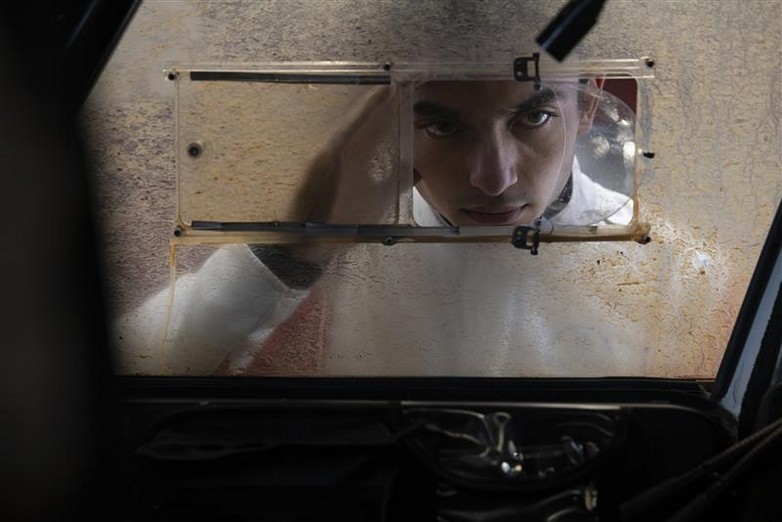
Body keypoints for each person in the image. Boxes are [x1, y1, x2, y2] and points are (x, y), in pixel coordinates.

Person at [115, 78, 635, 376]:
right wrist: (292, 248)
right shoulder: (341, 252)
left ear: (588, 104)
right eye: (443, 126)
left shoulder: (663, 262)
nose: (494, 178)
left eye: (534, 118)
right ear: (387, 119)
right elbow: (124, 375)